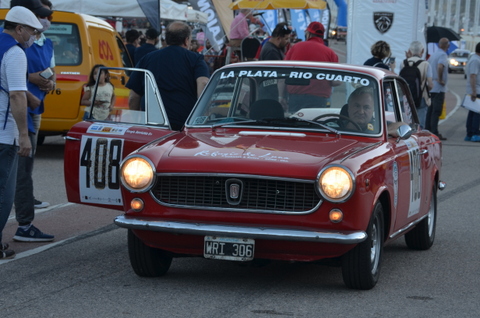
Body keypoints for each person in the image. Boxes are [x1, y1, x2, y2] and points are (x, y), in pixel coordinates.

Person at [0, 6, 43, 258]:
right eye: (31, 31)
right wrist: (23, 134)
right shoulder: (15, 52)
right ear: (19, 29)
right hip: (4, 135)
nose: (33, 37)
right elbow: (15, 93)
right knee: (4, 192)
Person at [10, 0, 55, 243]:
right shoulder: (13, 46)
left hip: (27, 114)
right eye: (39, 18)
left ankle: (25, 221)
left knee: (19, 174)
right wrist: (23, 133)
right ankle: (24, 225)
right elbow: (14, 89)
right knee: (19, 174)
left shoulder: (43, 44)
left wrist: (48, 83)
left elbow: (51, 74)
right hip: (17, 118)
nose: (43, 23)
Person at [126, 21, 209, 131]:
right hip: (183, 126)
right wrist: (201, 118)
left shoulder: (147, 58)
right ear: (186, 40)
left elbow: (133, 97)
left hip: (152, 125)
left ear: (166, 39)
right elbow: (203, 83)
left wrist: (136, 122)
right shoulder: (196, 59)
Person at [284, 22, 339, 112]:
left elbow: (283, 75)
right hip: (320, 98)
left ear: (308, 34)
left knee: (295, 124)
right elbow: (337, 82)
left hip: (296, 97)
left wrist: (281, 96)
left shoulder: (295, 48)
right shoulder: (330, 53)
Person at [401, 41, 433, 127]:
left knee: (406, 123)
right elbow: (430, 85)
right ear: (422, 51)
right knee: (420, 125)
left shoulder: (403, 63)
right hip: (421, 97)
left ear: (409, 51)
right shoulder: (426, 64)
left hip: (406, 97)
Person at [426, 37, 449, 141]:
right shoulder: (443, 55)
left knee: (430, 110)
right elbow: (440, 66)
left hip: (432, 86)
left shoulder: (434, 55)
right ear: (446, 45)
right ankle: (434, 132)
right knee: (436, 110)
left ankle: (427, 129)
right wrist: (440, 79)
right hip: (439, 87)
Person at [464, 42, 480, 142]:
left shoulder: (475, 59)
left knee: (473, 112)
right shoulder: (475, 60)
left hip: (476, 89)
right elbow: (473, 76)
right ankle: (474, 133)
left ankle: (470, 133)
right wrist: (474, 91)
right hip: (476, 90)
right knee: (476, 113)